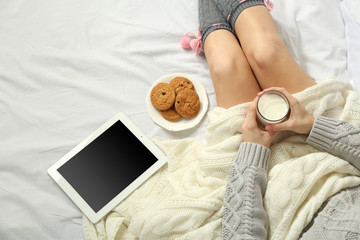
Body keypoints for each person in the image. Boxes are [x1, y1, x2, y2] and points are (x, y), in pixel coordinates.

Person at [194, 0, 360, 239]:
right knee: (265, 53)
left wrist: (252, 150)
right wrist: (310, 124)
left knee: (226, 66)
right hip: (332, 148)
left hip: (262, 184)